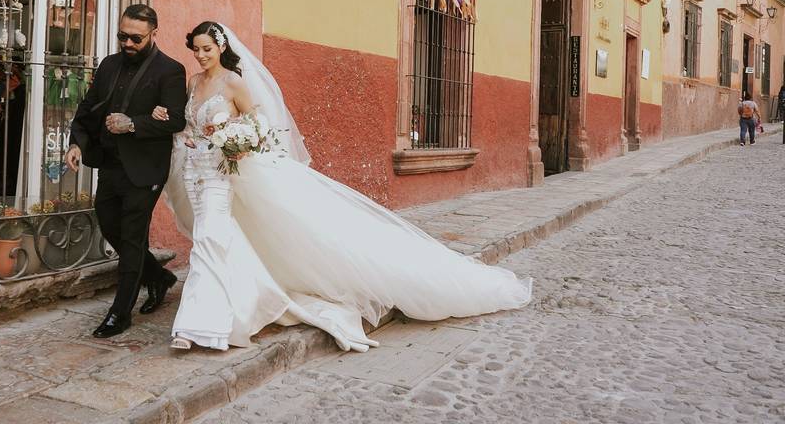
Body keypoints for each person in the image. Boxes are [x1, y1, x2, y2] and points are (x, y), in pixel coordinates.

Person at [152, 22, 531, 352]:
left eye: (207, 48)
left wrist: (233, 139)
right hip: (195, 174)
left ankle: (200, 325)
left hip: (224, 174)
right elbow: (190, 127)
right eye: (196, 49)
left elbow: (258, 124)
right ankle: (239, 299)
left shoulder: (234, 82)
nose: (201, 55)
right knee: (219, 239)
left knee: (209, 240)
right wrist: (179, 128)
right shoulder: (194, 82)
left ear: (221, 47)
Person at [65, 5, 187, 338]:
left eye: (136, 37)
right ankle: (159, 278)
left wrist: (133, 123)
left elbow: (176, 119)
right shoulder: (108, 65)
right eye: (123, 36)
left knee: (132, 238)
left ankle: (121, 314)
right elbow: (88, 110)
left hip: (145, 169)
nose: (128, 43)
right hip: (109, 164)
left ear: (153, 34)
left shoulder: (170, 71)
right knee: (110, 226)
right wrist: (77, 143)